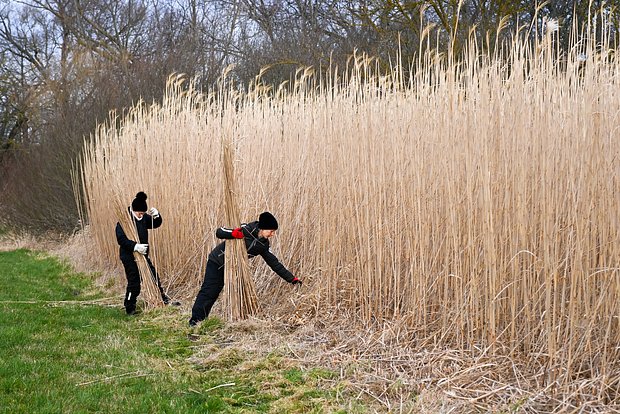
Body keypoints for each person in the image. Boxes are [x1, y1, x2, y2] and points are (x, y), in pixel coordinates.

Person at [189, 211, 302, 326]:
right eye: (271, 231)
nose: (272, 234)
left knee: (217, 292)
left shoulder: (263, 245)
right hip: (217, 261)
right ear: (263, 228)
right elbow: (220, 232)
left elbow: (275, 264)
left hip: (233, 268)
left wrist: (292, 279)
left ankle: (212, 320)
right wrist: (233, 234)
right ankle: (195, 321)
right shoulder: (246, 229)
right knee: (209, 291)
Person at [115, 191, 175, 315]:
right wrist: (135, 246)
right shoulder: (125, 220)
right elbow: (121, 239)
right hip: (129, 256)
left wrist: (157, 216)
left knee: (154, 276)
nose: (142, 215)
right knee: (134, 282)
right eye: (140, 213)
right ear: (134, 210)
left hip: (143, 255)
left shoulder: (143, 218)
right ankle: (130, 306)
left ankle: (162, 299)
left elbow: (156, 224)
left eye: (143, 213)